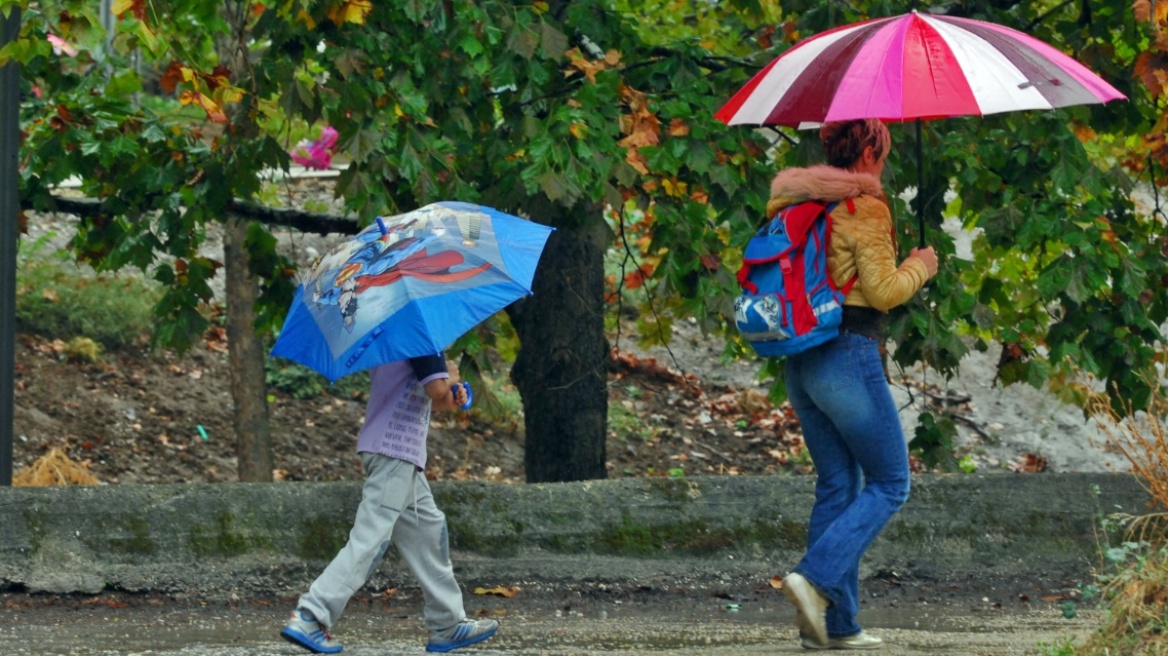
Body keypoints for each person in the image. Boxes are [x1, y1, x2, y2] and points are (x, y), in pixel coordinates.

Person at [770, 119, 939, 650]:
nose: (883, 162)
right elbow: (883, 292)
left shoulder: (796, 204)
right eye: (882, 150)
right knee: (891, 482)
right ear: (868, 149)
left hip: (801, 361)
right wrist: (920, 265)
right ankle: (814, 579)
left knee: (838, 485)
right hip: (848, 353)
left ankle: (836, 626)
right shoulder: (863, 206)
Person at [280, 355, 498, 654]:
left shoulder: (395, 339)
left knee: (428, 530)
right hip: (395, 451)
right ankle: (311, 615)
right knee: (371, 537)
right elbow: (436, 389)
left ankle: (447, 623)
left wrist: (453, 393)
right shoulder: (419, 336)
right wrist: (448, 374)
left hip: (398, 453)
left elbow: (434, 398)